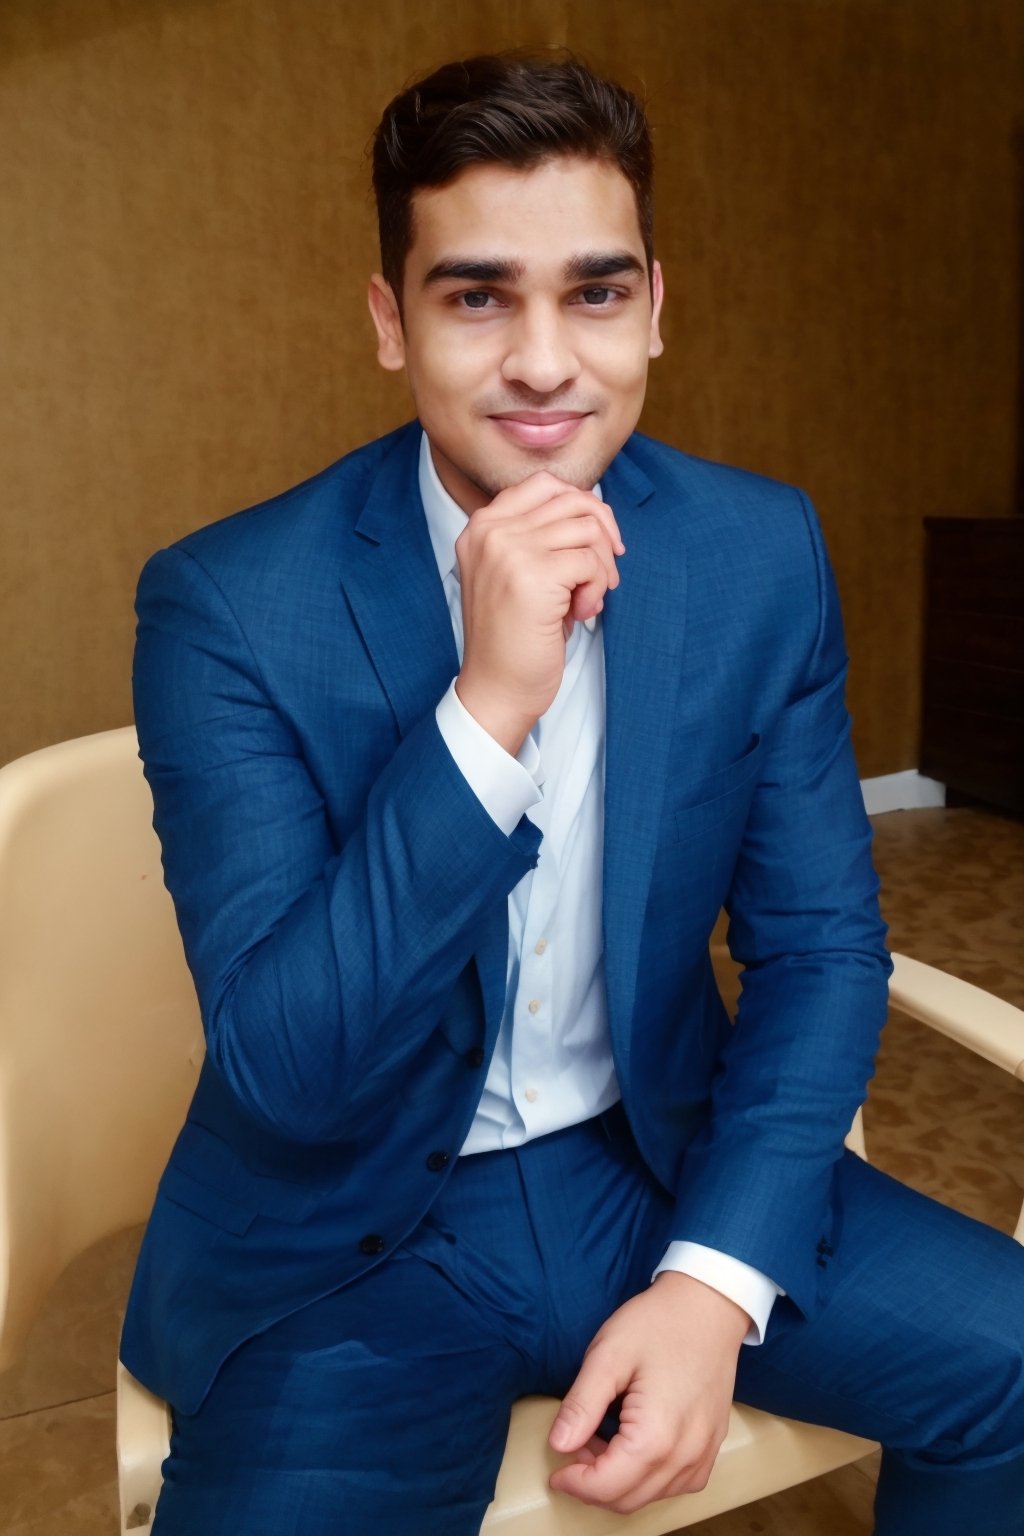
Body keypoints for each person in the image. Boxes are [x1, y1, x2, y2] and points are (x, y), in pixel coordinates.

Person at [121, 50, 1024, 1536]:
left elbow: (818, 951)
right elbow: (285, 1070)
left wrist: (712, 1283)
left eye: (594, 293)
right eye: (478, 296)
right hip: (349, 1238)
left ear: (655, 309)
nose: (545, 361)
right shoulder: (228, 604)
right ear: (388, 322)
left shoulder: (756, 554)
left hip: (654, 1164)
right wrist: (489, 711)